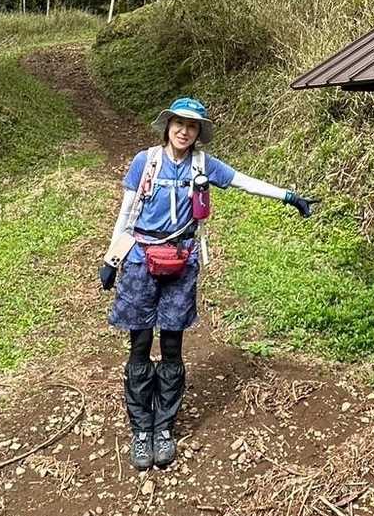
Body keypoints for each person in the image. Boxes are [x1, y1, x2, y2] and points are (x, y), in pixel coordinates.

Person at [103, 96, 314, 472]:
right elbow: (126, 213)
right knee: (139, 345)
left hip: (181, 261)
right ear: (168, 126)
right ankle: (141, 430)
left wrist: (288, 196)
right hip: (139, 261)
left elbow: (243, 182)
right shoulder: (145, 162)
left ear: (198, 132)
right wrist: (110, 258)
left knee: (172, 345)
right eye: (179, 124)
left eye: (192, 126)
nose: (184, 131)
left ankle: (164, 429)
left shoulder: (203, 165)